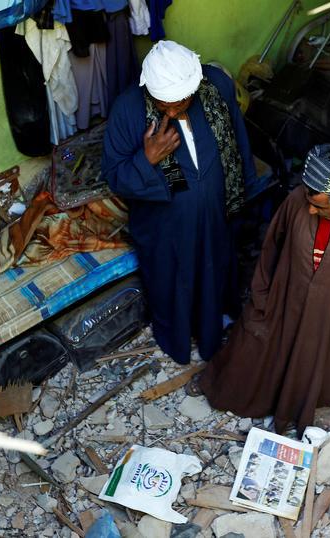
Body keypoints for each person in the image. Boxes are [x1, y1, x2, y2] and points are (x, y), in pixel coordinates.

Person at [198, 145, 330, 434]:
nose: (310, 209)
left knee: (309, 364)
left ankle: (290, 413)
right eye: (310, 200)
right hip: (284, 297)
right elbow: (272, 246)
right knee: (257, 351)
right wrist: (261, 294)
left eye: (320, 206)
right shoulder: (299, 199)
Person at [102, 40, 256, 364]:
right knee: (173, 281)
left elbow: (238, 141)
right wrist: (147, 158)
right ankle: (177, 339)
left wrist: (247, 189)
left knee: (216, 269)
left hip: (216, 214)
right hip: (167, 227)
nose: (171, 112)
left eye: (179, 102)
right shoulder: (128, 110)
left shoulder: (216, 85)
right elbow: (115, 176)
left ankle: (215, 328)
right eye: (163, 105)